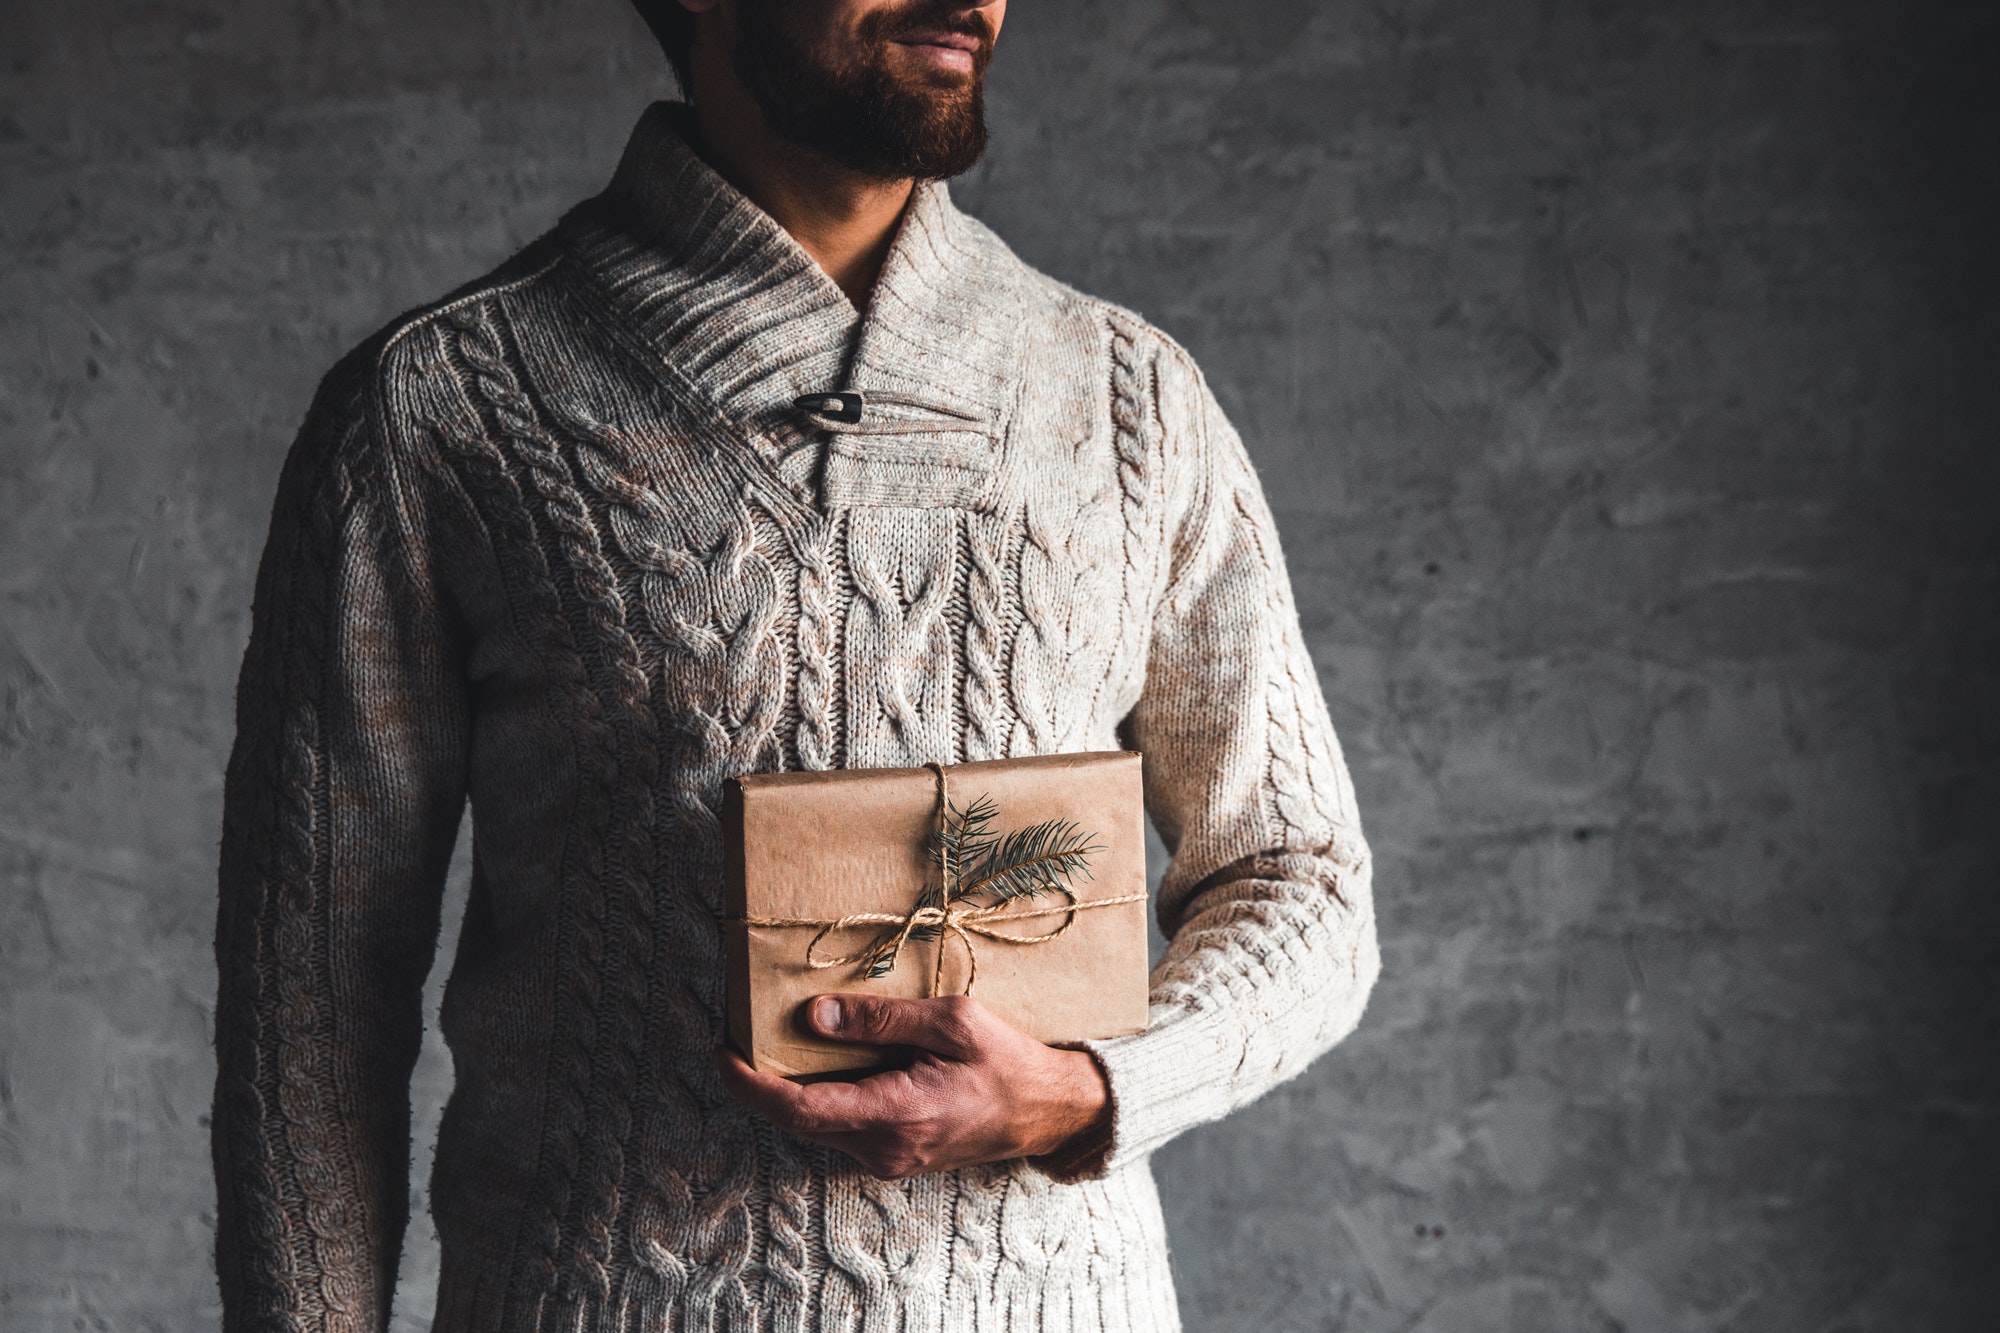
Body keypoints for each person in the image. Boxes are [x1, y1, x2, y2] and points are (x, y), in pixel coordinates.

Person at [210, 1, 1380, 1329]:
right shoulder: (442, 409)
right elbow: (307, 1011)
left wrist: (1092, 1090)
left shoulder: (1130, 403)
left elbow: (1306, 886)